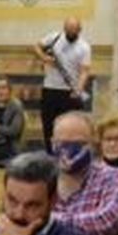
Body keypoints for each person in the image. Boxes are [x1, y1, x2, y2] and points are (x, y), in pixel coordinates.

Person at [52, 111, 118, 235]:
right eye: (61, 142)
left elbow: (103, 223)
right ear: (52, 142)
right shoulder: (41, 175)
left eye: (78, 144)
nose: (67, 150)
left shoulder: (113, 177)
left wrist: (44, 223)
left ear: (94, 143)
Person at [36, 17, 92, 146]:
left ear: (79, 30)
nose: (70, 34)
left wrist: (79, 89)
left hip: (69, 91)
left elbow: (85, 71)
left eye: (74, 31)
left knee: (70, 125)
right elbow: (37, 47)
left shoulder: (84, 47)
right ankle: (51, 153)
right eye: (68, 31)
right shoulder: (54, 38)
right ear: (64, 29)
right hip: (50, 89)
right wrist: (45, 58)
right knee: (48, 124)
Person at [0, 75, 26, 160]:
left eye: (4, 88)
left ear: (9, 90)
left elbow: (14, 131)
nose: (1, 91)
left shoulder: (16, 106)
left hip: (9, 146)